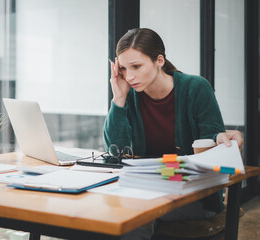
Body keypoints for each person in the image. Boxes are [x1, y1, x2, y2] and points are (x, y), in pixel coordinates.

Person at [103, 28, 243, 239]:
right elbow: (114, 153)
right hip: (147, 188)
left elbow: (212, 138)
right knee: (112, 217)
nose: (129, 76)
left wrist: (220, 140)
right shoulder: (130, 95)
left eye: (137, 66)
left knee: (131, 219)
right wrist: (119, 99)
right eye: (123, 68)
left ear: (159, 60)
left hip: (194, 196)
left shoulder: (196, 88)